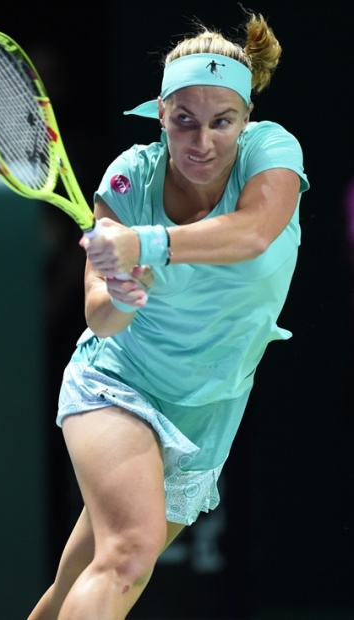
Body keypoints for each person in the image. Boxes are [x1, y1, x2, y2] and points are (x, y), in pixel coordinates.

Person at [28, 8, 309, 620]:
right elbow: (99, 318)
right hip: (118, 384)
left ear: (246, 119)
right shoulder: (129, 180)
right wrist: (121, 296)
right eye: (184, 121)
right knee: (128, 555)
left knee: (77, 582)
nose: (201, 142)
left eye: (221, 122)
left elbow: (253, 233)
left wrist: (145, 245)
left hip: (210, 407)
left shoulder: (272, 151)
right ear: (160, 114)